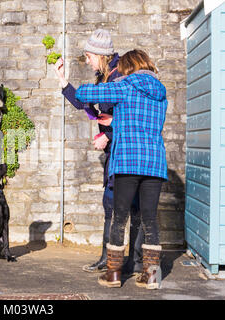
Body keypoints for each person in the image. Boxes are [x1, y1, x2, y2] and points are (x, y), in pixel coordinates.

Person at [74, 49, 168, 289]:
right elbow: (141, 120)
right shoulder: (161, 93)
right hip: (154, 163)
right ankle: (152, 276)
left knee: (119, 217)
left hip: (127, 161)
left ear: (128, 68)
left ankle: (114, 275)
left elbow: (84, 93)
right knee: (149, 219)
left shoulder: (124, 86)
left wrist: (115, 85)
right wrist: (116, 120)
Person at [54, 29, 143, 275]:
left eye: (89, 56)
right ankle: (107, 258)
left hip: (127, 151)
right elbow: (87, 105)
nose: (87, 60)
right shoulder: (103, 77)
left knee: (130, 206)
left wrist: (109, 134)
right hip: (115, 151)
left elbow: (132, 114)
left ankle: (134, 262)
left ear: (101, 55)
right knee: (110, 204)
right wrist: (62, 80)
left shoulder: (119, 76)